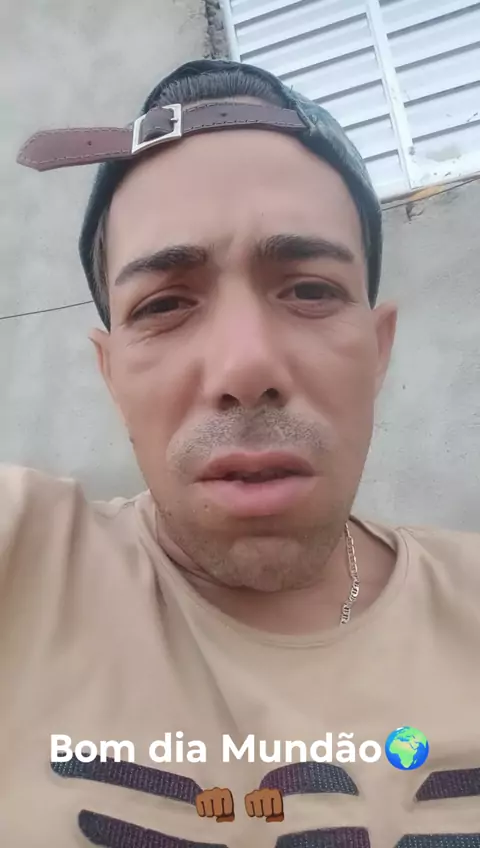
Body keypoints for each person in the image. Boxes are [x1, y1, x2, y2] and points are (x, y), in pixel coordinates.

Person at [2, 58, 479, 848]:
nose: (245, 367)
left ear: (379, 347)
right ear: (111, 374)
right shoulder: (24, 561)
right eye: (165, 304)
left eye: (310, 290)